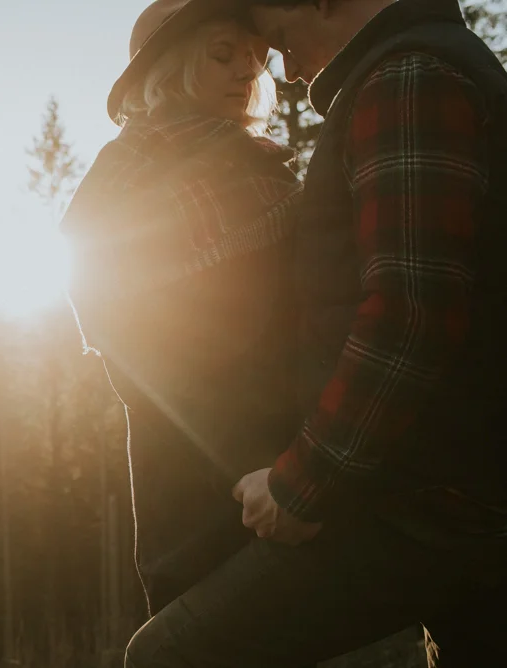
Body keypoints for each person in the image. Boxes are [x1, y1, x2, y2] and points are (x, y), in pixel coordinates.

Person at [123, 0, 507, 666]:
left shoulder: (407, 78)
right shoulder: (411, 71)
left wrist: (303, 483)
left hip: (435, 498)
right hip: (446, 481)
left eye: (275, 41)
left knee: (167, 656)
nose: (287, 71)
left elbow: (412, 313)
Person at [59, 0, 303, 619]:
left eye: (253, 58)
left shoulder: (265, 169)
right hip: (189, 460)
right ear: (166, 72)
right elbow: (124, 334)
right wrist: (234, 453)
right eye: (222, 55)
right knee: (190, 630)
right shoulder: (127, 170)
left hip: (289, 454)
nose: (245, 71)